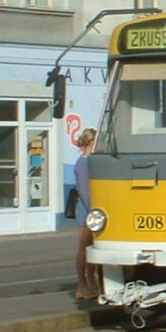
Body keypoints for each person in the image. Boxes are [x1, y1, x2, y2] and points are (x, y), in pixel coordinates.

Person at [73, 128, 99, 300]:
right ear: (90, 143)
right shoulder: (83, 162)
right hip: (87, 209)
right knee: (84, 247)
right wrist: (92, 211)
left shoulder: (91, 160)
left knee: (91, 248)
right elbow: (84, 190)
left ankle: (91, 281)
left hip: (91, 210)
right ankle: (82, 284)